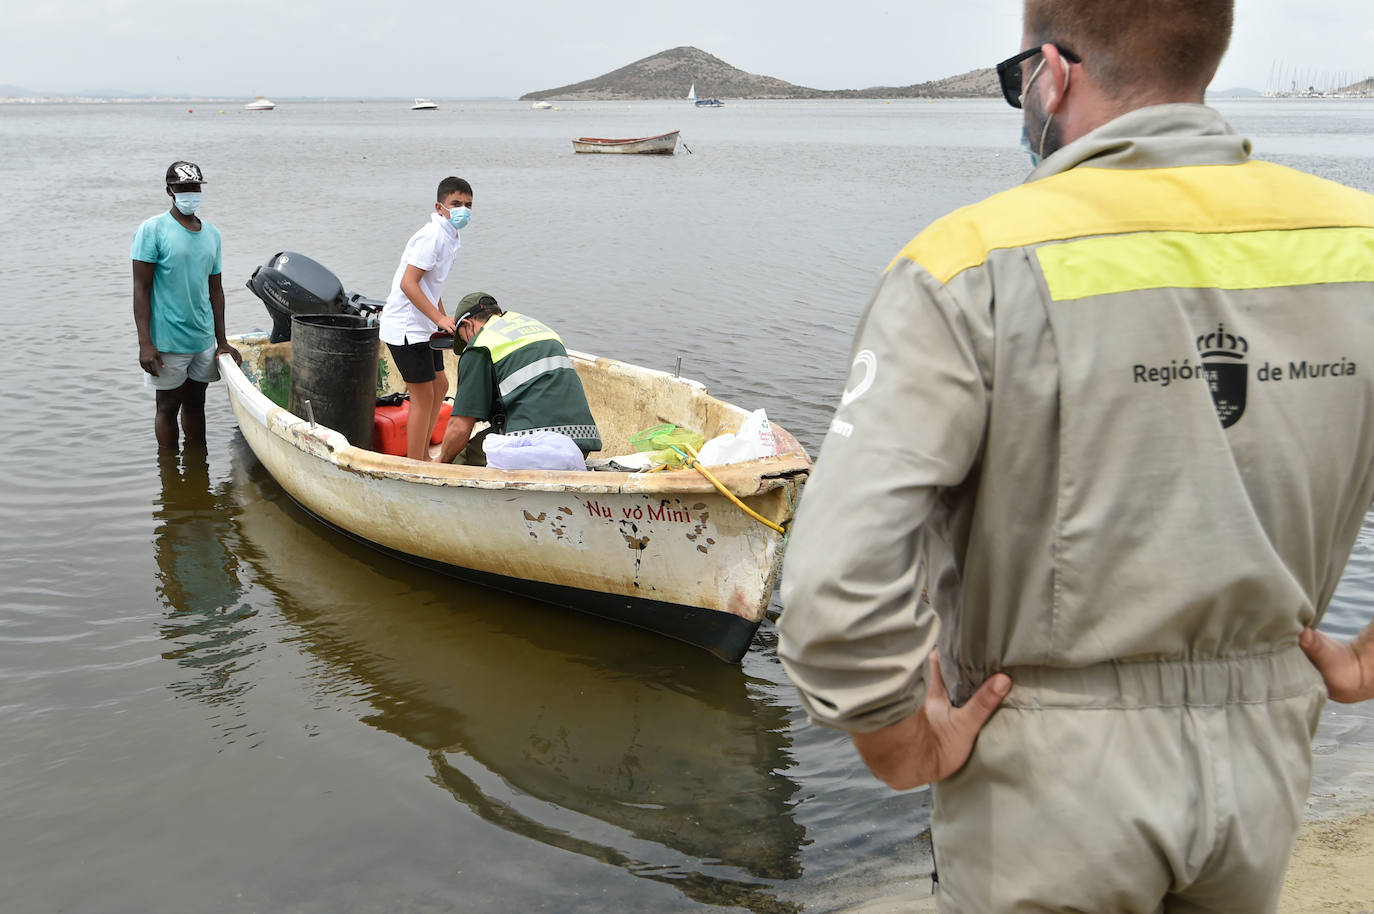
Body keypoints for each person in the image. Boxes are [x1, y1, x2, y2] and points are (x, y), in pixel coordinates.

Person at [776, 1, 1374, 911]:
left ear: (1051, 74)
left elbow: (831, 587)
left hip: (1044, 774)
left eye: (1021, 80)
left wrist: (897, 739)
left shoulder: (969, 264)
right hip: (1266, 756)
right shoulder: (1356, 244)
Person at [132, 161, 241, 450]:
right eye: (183, 188)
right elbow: (141, 290)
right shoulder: (152, 230)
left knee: (196, 404)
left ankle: (196, 472)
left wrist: (222, 341)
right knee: (167, 408)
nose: (190, 193)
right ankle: (169, 478)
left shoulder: (212, 234)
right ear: (170, 191)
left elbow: (215, 290)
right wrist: (145, 343)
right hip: (167, 342)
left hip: (202, 340)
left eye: (194, 188)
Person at [435, 293, 602, 465]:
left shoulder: (480, 345)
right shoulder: (539, 328)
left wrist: (441, 461)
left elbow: (460, 426)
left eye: (464, 338)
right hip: (581, 443)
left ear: (468, 325)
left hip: (533, 448)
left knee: (460, 457)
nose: (468, 344)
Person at [379, 176, 473, 460]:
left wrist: (441, 318)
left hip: (424, 326)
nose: (463, 210)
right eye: (456, 203)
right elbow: (410, 283)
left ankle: (422, 452)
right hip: (406, 328)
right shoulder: (431, 237)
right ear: (440, 206)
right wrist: (438, 318)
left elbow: (433, 286)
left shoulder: (449, 235)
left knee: (441, 386)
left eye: (468, 205)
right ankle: (415, 461)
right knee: (423, 396)